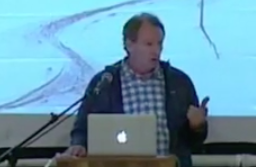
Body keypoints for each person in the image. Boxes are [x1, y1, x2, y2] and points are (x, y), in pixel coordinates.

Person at [63, 13, 209, 167]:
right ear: (129, 45)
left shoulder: (179, 82)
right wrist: (79, 145)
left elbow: (193, 143)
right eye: (149, 44)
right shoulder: (105, 83)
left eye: (159, 44)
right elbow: (82, 128)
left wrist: (197, 126)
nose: (156, 50)